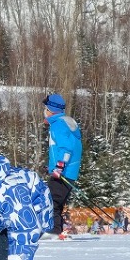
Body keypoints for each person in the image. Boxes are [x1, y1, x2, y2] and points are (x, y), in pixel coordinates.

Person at [43, 93, 82, 239]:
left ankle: (54, 231)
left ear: (51, 110)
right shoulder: (64, 122)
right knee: (54, 201)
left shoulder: (58, 125)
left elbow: (66, 148)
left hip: (63, 172)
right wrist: (52, 166)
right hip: (68, 170)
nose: (44, 111)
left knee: (52, 201)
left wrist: (59, 167)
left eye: (46, 108)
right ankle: (54, 230)